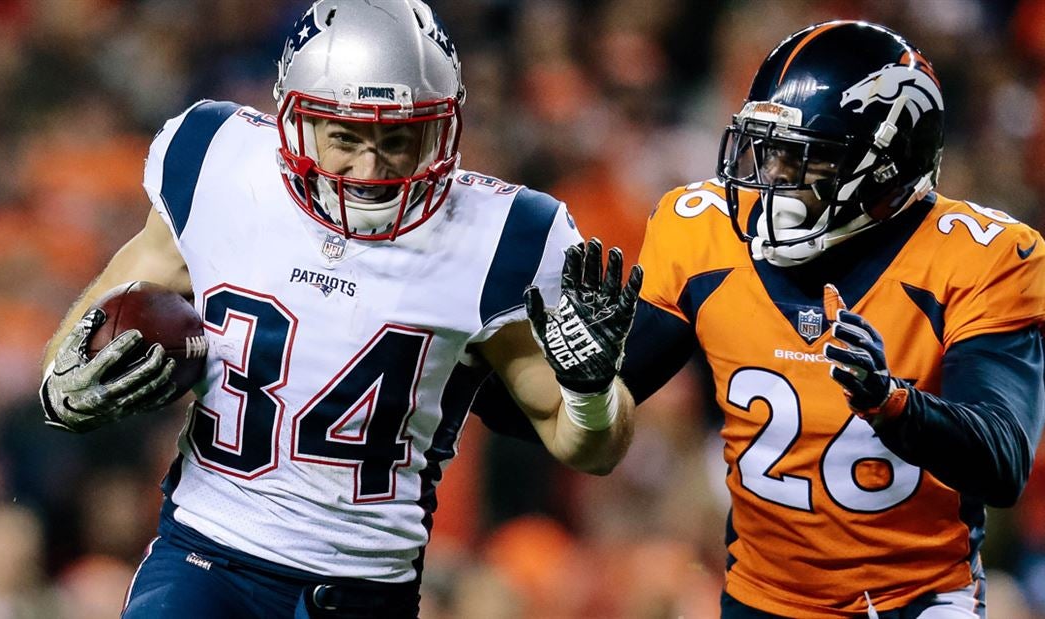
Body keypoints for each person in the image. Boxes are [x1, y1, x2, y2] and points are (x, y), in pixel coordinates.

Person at [37, 2, 641, 618]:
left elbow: (590, 449)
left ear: (442, 131)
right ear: (292, 119)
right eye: (346, 137)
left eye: (397, 140)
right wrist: (61, 383)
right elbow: (104, 314)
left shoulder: (502, 240)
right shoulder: (218, 161)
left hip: (362, 587)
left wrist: (592, 391)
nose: (370, 171)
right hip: (204, 560)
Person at [474, 19, 1045, 618]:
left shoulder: (979, 256)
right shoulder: (705, 230)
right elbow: (567, 407)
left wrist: (893, 403)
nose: (774, 179)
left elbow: (1003, 462)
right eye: (771, 151)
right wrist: (535, 372)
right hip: (764, 598)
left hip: (920, 596)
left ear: (885, 168)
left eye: (809, 161)